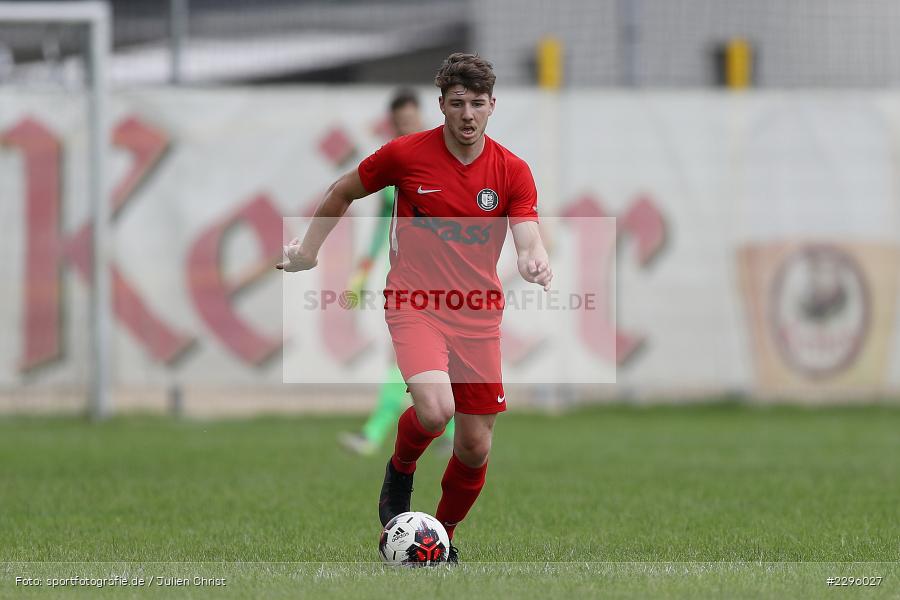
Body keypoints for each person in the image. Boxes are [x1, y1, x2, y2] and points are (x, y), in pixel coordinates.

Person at [278, 53, 552, 564]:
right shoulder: (406, 156)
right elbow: (342, 191)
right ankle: (400, 469)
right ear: (441, 105)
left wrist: (534, 258)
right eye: (456, 103)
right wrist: (309, 252)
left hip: (477, 313)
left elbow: (528, 235)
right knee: (435, 409)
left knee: (474, 447)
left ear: (493, 105)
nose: (467, 114)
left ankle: (439, 537)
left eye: (476, 103)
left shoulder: (512, 170)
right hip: (415, 303)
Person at [338, 88, 455, 456]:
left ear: (421, 117)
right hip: (407, 278)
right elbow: (380, 229)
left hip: (446, 276)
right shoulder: (394, 164)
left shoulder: (445, 156)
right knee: (420, 359)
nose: (406, 126)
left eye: (411, 120)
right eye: (400, 122)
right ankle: (441, 436)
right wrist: (361, 273)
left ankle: (375, 434)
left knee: (426, 360)